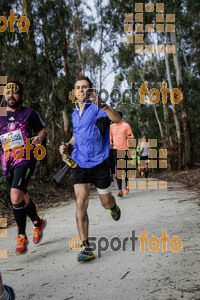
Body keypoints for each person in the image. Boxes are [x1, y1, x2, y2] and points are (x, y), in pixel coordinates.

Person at [59, 75, 122, 262]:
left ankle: (113, 205)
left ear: (91, 90)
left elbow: (117, 119)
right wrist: (68, 145)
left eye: (85, 87)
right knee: (81, 202)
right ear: (74, 91)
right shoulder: (73, 113)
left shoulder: (97, 109)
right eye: (78, 87)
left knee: (105, 203)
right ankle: (86, 246)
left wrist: (102, 104)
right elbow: (77, 134)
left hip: (100, 162)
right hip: (80, 163)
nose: (81, 90)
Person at [0, 81, 47, 255]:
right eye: (8, 93)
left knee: (14, 194)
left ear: (20, 95)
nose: (11, 95)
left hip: (26, 158)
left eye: (15, 92)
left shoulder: (29, 113)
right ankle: (37, 222)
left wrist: (39, 138)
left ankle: (21, 236)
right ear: (5, 95)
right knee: (22, 196)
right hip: (7, 161)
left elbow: (42, 130)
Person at [110, 111, 134, 197]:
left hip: (126, 149)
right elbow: (110, 138)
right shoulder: (111, 126)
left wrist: (127, 137)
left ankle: (126, 185)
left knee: (126, 169)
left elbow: (132, 137)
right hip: (116, 150)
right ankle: (119, 190)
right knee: (119, 169)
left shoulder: (126, 125)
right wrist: (110, 144)